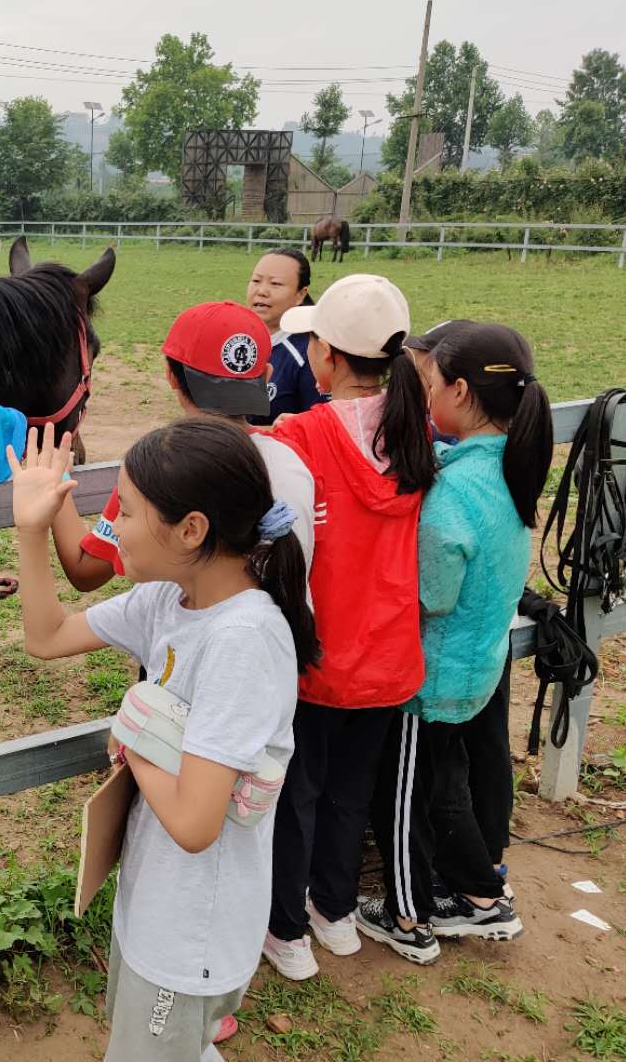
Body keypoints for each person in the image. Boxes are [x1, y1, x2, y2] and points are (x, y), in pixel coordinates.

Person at [8, 418, 316, 1062]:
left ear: (192, 529)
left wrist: (138, 735)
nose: (113, 524)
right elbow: (46, 636)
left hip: (189, 935)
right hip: (156, 905)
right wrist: (32, 530)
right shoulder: (169, 600)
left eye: (129, 509)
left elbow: (197, 822)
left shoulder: (244, 640)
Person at [262, 273, 439, 977]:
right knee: (350, 793)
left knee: (296, 794)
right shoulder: (417, 433)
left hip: (317, 657)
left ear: (325, 358)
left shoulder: (298, 435)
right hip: (390, 659)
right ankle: (334, 915)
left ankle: (286, 931)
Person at [359, 322, 550, 959]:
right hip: (478, 666)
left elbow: (431, 598)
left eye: (431, 383)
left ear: (461, 392)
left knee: (404, 795)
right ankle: (481, 897)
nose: (425, 394)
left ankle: (408, 919)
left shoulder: (451, 500)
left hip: (431, 678)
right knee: (446, 789)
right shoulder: (503, 467)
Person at [52, 301, 316, 595]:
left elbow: (85, 570)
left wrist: (56, 478)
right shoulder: (295, 457)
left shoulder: (158, 465)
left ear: (170, 375)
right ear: (266, 376)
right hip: (288, 633)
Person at [245, 248, 327, 425]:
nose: (262, 291)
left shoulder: (310, 353)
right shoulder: (235, 340)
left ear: (300, 294)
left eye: (275, 284)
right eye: (256, 280)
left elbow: (319, 426)